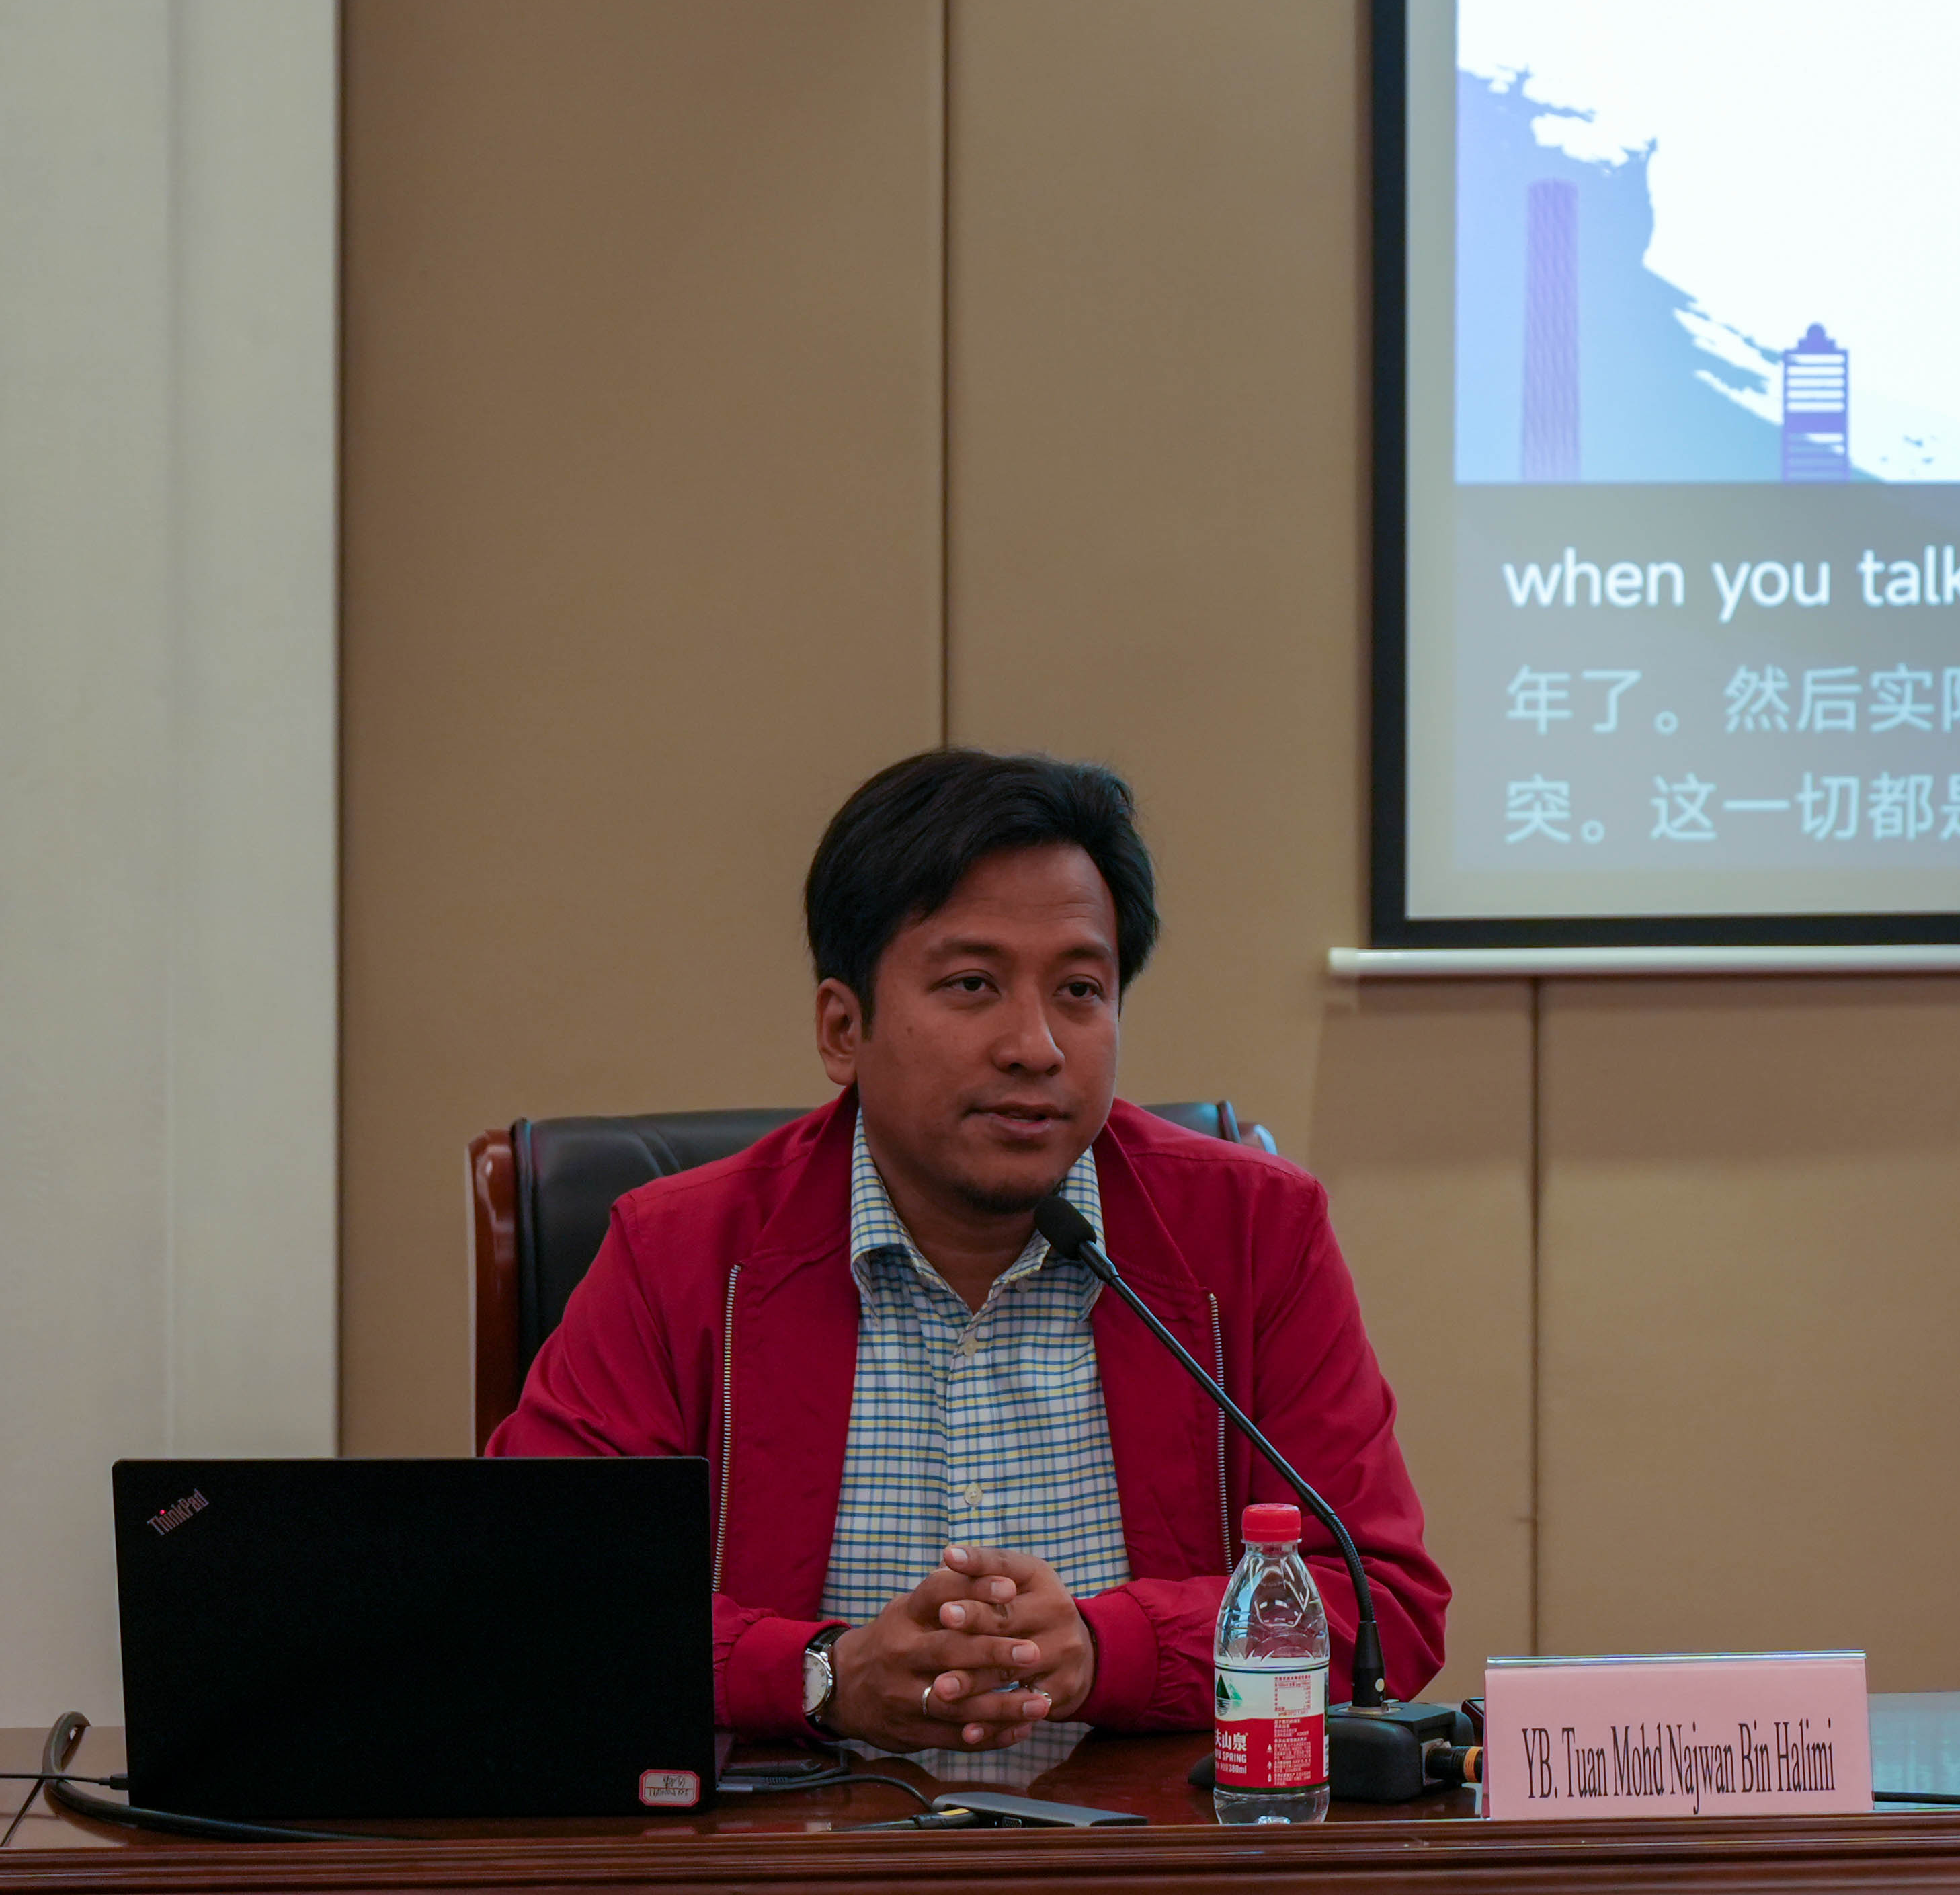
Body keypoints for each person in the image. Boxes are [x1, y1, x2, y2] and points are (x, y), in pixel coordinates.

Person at [489, 749, 1446, 1748]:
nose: (1035, 1045)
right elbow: (533, 1601)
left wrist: (1109, 1650)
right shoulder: (679, 1255)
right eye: (972, 983)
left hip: (1158, 1831)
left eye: (1080, 990)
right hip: (796, 1832)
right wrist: (822, 1675)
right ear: (843, 1028)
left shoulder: (1251, 1233)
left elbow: (1380, 1601)